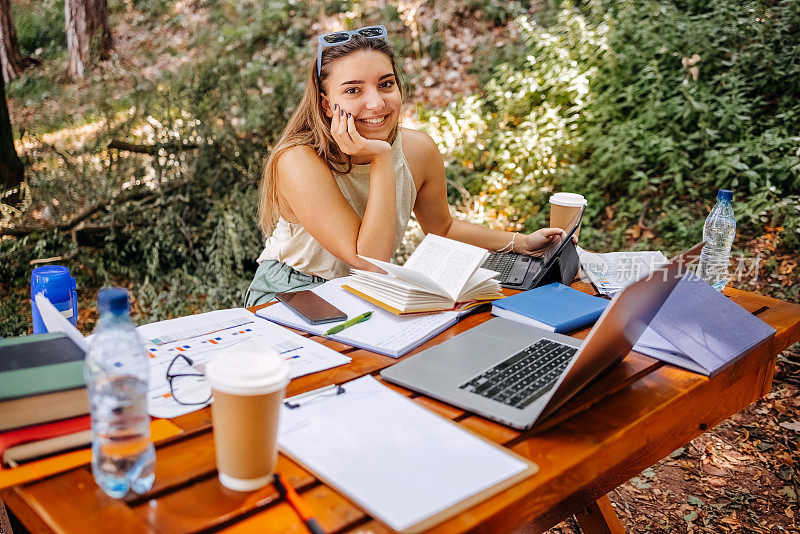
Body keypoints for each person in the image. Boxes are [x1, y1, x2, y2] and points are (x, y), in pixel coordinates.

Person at [246, 25, 567, 306]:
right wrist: (382, 156)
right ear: (326, 102)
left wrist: (522, 242)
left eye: (386, 84)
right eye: (353, 90)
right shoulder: (299, 159)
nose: (376, 102)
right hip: (293, 292)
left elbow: (442, 228)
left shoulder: (418, 148)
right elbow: (367, 260)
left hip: (364, 288)